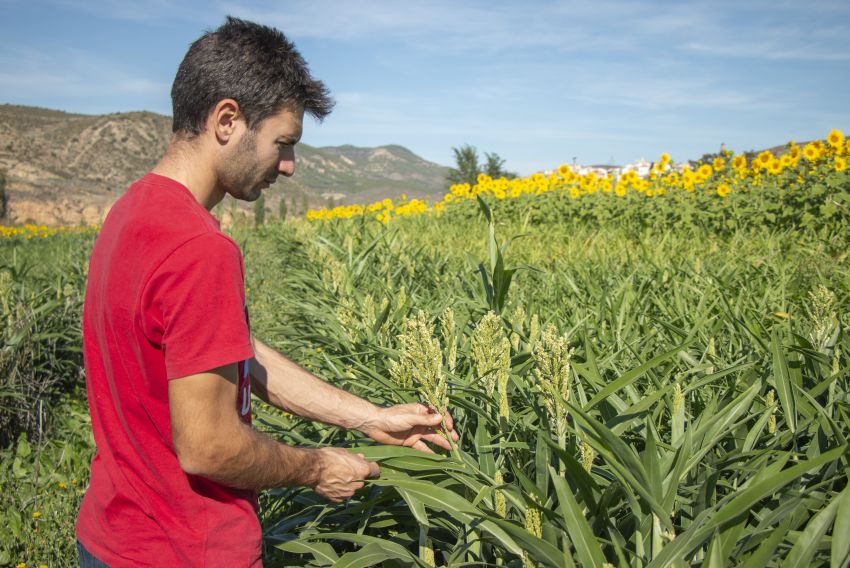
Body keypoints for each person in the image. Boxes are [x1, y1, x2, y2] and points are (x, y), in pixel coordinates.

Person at [75, 16, 458, 568]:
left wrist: (367, 417)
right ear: (227, 119)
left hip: (111, 538)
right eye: (283, 143)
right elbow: (208, 446)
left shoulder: (131, 213)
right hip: (185, 550)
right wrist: (318, 467)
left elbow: (230, 353)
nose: (289, 165)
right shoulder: (199, 250)